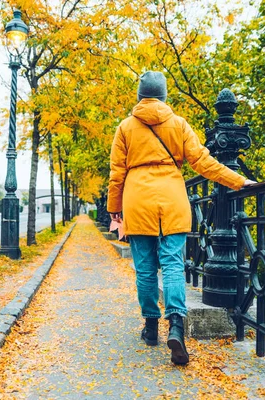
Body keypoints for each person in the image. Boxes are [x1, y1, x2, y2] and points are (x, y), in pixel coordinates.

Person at [107, 71, 256, 365]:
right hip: (172, 203)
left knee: (146, 270)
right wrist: (238, 180)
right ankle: (176, 324)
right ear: (163, 97)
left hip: (138, 203)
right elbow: (203, 161)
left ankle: (151, 327)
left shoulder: (125, 128)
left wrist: (115, 208)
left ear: (140, 96)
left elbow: (117, 174)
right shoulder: (179, 124)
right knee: (174, 266)